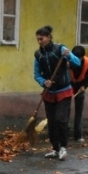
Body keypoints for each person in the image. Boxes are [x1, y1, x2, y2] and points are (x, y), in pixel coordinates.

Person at [34, 26, 81, 160]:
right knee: (52, 122)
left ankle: (63, 148)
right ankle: (55, 148)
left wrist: (69, 56)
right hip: (49, 93)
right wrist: (44, 82)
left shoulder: (60, 49)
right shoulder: (38, 55)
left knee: (61, 120)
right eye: (37, 39)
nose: (39, 41)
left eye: (41, 39)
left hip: (64, 91)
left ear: (49, 37)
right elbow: (36, 74)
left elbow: (77, 62)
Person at [69, 45, 88, 142]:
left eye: (79, 58)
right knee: (65, 112)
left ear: (82, 57)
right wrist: (68, 89)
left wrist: (84, 86)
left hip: (81, 87)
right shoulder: (67, 62)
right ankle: (62, 135)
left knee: (79, 113)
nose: (76, 61)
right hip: (69, 86)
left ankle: (78, 135)